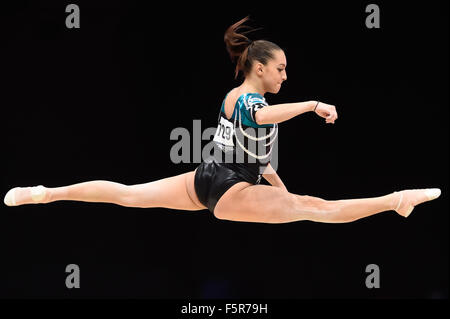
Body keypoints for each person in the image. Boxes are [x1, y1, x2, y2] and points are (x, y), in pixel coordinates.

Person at [3, 16, 441, 224]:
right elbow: (264, 115)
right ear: (260, 68)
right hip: (228, 186)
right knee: (316, 209)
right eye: (282, 68)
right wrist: (311, 106)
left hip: (208, 177)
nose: (286, 75)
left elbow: (261, 159)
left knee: (127, 195)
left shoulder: (247, 101)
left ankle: (44, 193)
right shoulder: (244, 97)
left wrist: (282, 193)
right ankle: (396, 199)